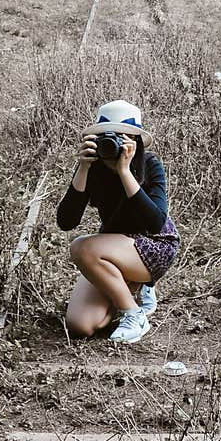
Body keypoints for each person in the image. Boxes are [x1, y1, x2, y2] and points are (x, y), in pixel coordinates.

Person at [56, 100, 179, 344]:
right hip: (114, 249)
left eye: (121, 137)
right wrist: (82, 168)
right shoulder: (93, 166)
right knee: (81, 325)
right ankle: (128, 288)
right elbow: (66, 222)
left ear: (136, 141)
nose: (112, 144)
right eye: (105, 137)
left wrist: (124, 171)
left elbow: (155, 222)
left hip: (154, 246)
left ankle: (134, 314)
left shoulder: (150, 164)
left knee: (81, 247)